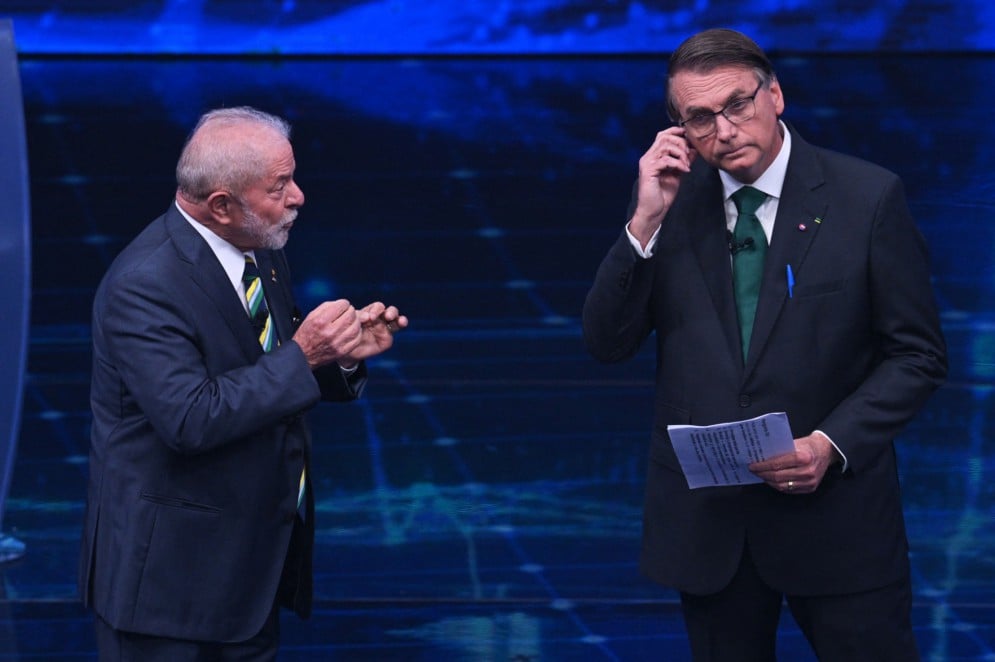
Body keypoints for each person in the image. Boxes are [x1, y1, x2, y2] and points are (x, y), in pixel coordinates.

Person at [582, 29, 947, 661]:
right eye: (699, 118)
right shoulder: (669, 205)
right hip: (712, 532)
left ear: (775, 95)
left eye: (737, 105)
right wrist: (643, 223)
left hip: (838, 524)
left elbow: (917, 355)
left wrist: (830, 445)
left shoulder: (866, 197)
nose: (722, 130)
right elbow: (606, 342)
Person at [79, 106, 408, 660]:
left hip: (246, 577)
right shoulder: (144, 286)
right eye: (280, 186)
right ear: (221, 205)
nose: (298, 196)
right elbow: (190, 418)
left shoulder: (258, 253)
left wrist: (340, 357)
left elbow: (264, 370)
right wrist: (305, 356)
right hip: (171, 593)